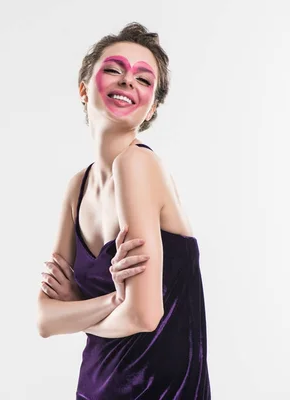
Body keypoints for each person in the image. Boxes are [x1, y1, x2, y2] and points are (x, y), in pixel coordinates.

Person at [36, 22, 211, 399]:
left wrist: (80, 310)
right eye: (114, 69)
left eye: (144, 79)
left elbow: (144, 316)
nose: (128, 81)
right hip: (94, 387)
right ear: (84, 89)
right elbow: (45, 319)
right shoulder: (76, 188)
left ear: (151, 110)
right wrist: (114, 300)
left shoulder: (137, 166)